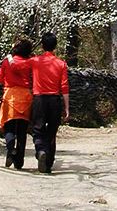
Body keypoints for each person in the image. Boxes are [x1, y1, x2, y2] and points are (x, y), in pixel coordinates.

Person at [30, 32, 69, 174]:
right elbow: (64, 86)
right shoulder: (61, 64)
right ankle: (48, 162)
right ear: (55, 46)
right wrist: (67, 107)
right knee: (52, 131)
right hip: (54, 100)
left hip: (39, 98)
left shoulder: (34, 61)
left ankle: (41, 150)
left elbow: (20, 66)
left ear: (42, 45)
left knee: (38, 128)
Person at [0, 38, 33, 169]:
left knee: (9, 127)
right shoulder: (30, 63)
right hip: (26, 97)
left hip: (11, 97)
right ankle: (19, 162)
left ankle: (11, 148)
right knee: (22, 131)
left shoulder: (7, 61)